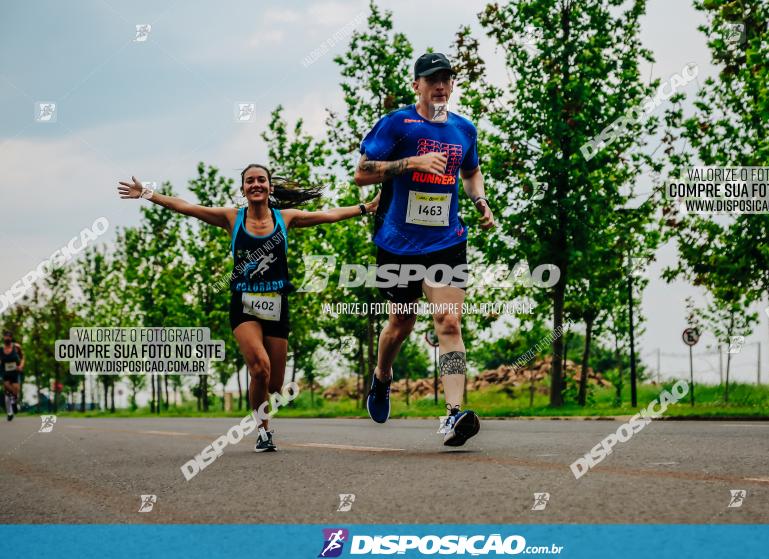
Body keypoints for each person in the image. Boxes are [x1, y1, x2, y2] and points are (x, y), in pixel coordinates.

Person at [118, 166, 378, 451]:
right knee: (259, 369)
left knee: (276, 384)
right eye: (249, 181)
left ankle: (264, 406)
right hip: (244, 304)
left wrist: (366, 208)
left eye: (261, 180)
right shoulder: (232, 218)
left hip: (277, 304)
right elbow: (187, 207)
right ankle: (263, 431)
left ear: (270, 187)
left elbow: (328, 215)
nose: (256, 184)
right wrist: (147, 193)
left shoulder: (286, 218)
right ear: (243, 189)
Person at [354, 52, 495, 446]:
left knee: (449, 324)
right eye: (432, 79)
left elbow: (470, 171)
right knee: (400, 324)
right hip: (398, 243)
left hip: (446, 241)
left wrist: (480, 201)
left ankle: (453, 415)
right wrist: (411, 161)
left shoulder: (464, 129)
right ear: (416, 84)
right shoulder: (397, 124)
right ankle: (382, 377)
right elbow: (362, 174)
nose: (440, 85)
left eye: (446, 79)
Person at [1, 330, 25, 422]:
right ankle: (9, 413)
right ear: (3, 338)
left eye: (9, 336)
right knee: (7, 392)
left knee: (15, 391)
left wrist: (21, 366)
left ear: (11, 338)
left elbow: (22, 357)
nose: (7, 338)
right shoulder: (1, 349)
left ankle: (14, 402)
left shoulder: (16, 347)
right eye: (5, 336)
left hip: (15, 372)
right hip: (5, 372)